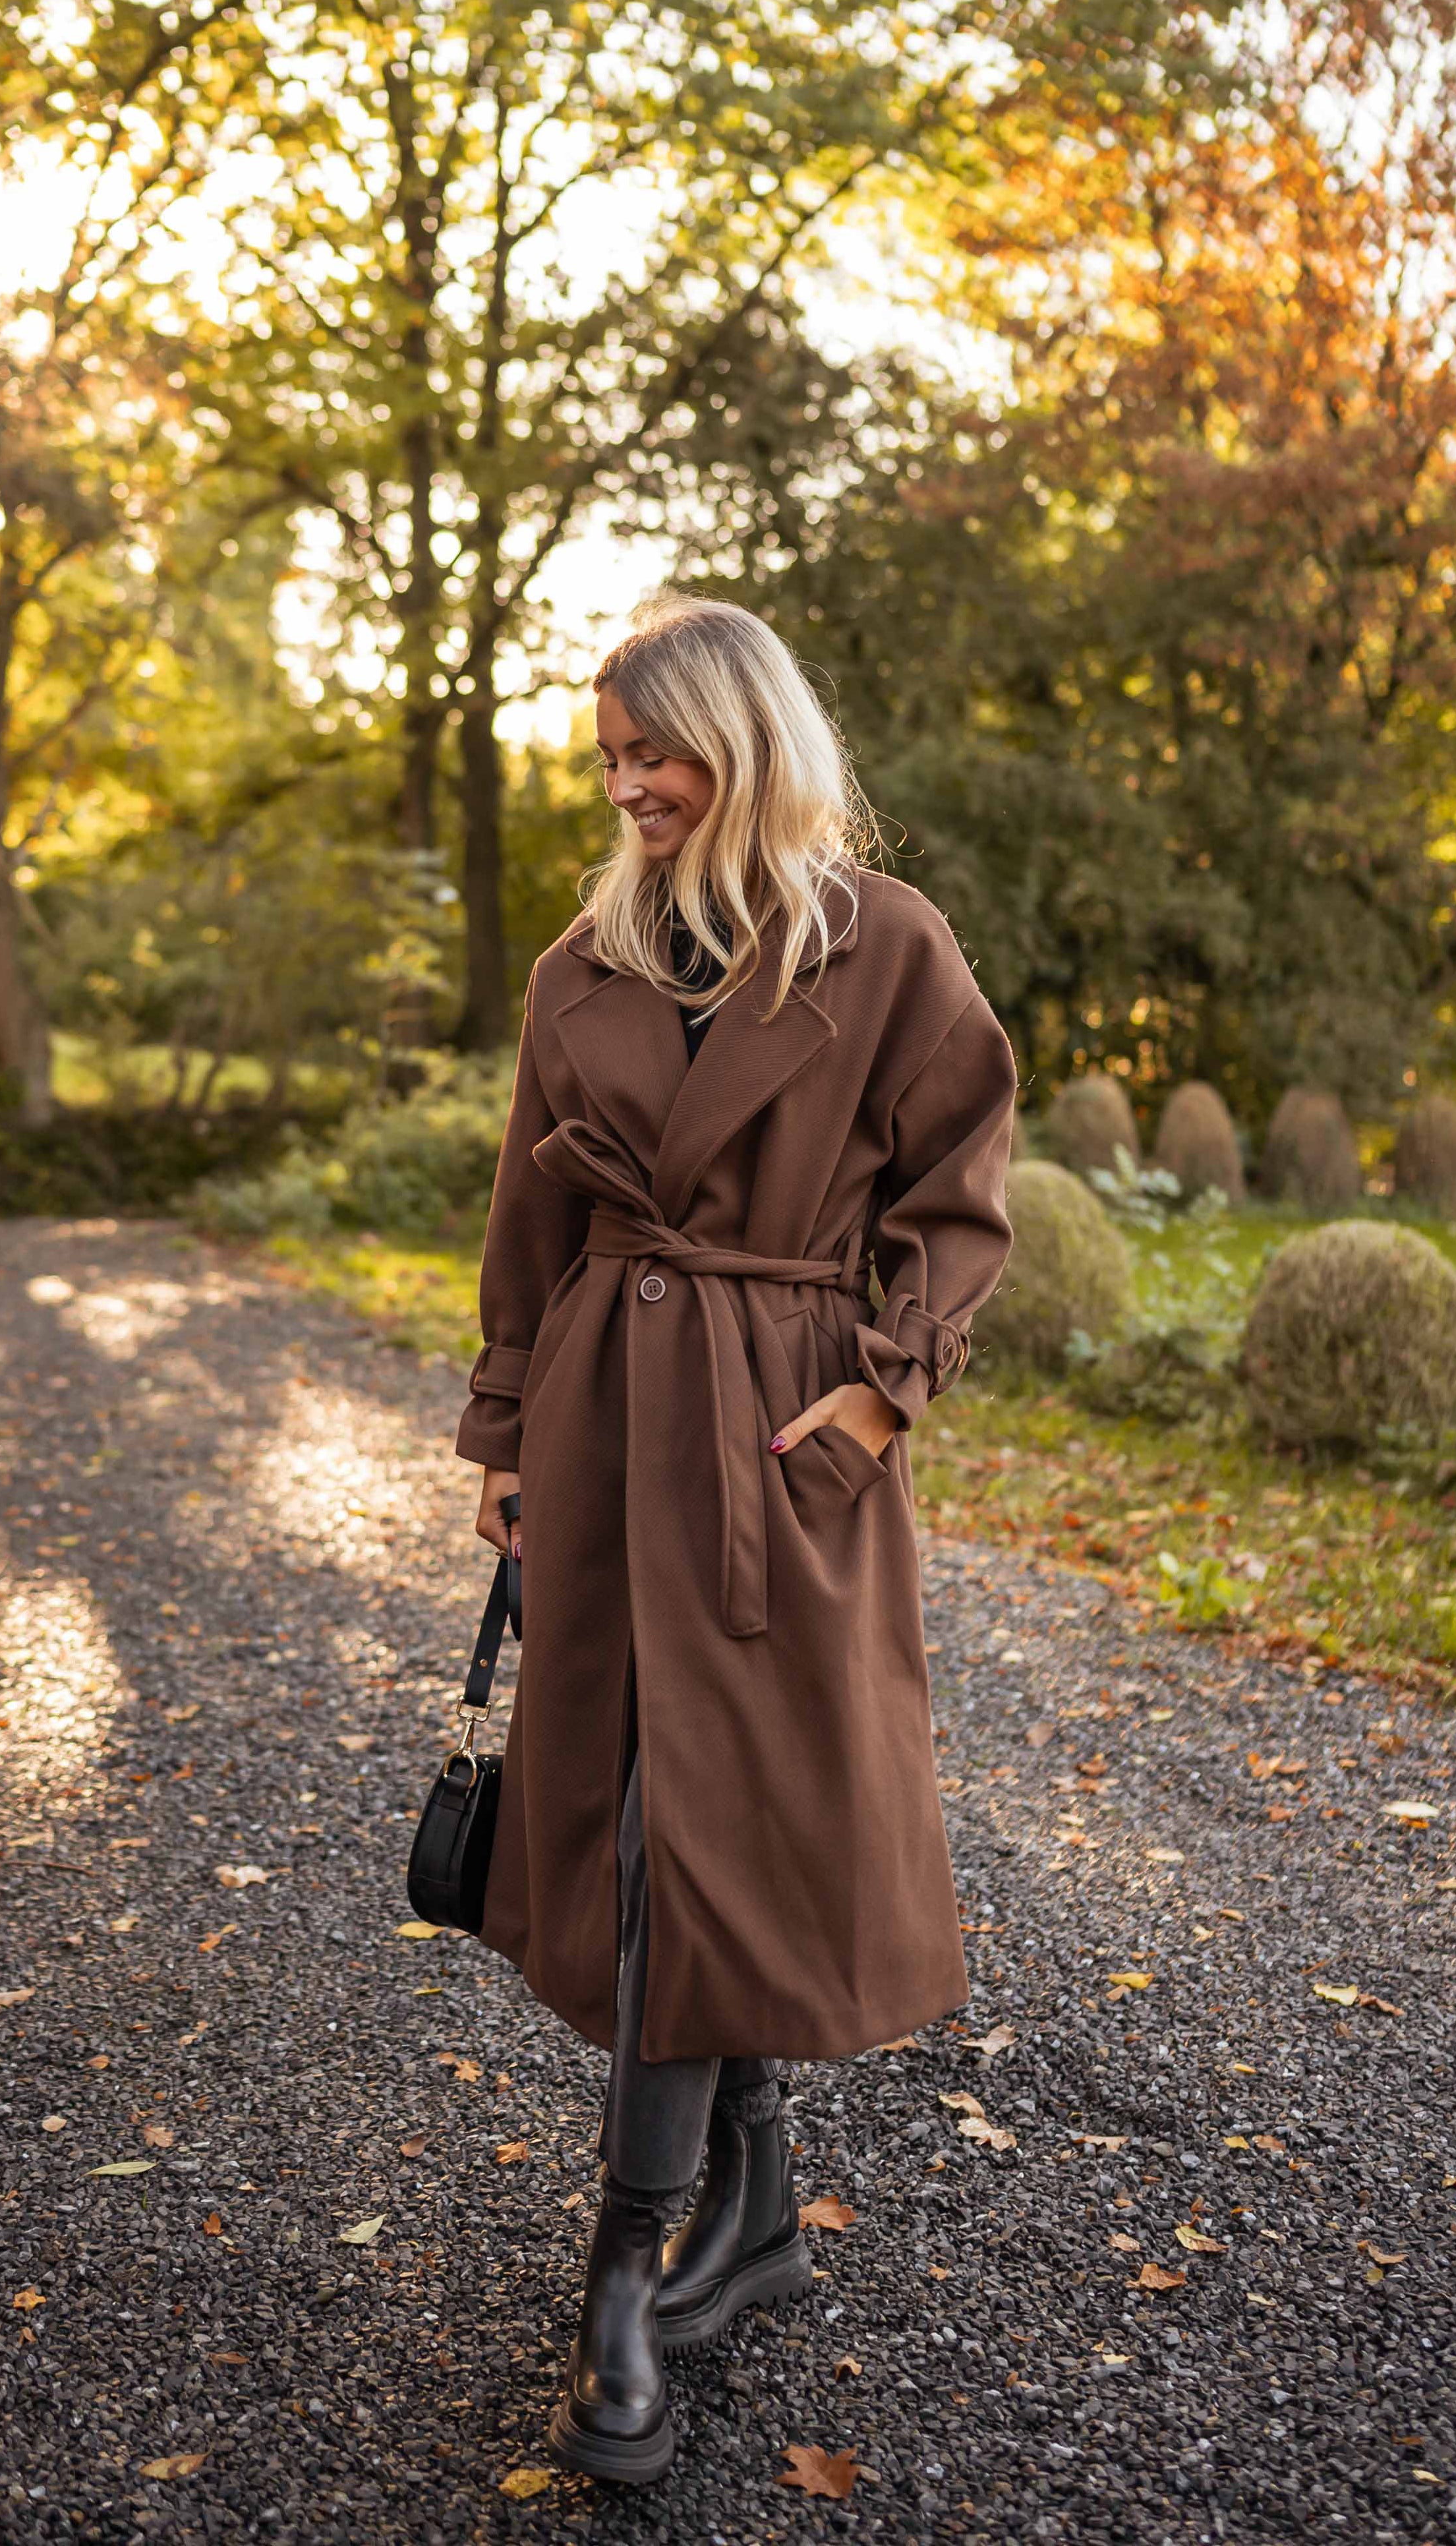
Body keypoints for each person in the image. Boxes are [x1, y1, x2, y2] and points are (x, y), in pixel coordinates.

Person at [455, 593, 1016, 2485]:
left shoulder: (887, 952)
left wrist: (878, 1394)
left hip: (778, 1438)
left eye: (657, 755)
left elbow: (962, 1186)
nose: (629, 789)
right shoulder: (581, 968)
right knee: (643, 1836)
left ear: (746, 742)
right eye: (609, 761)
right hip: (615, 1426)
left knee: (728, 1829)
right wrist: (508, 1430)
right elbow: (532, 1228)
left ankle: (629, 2266)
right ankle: (746, 2205)